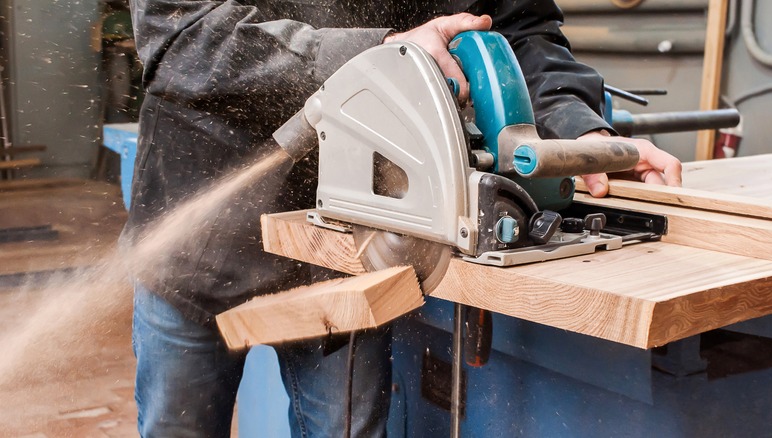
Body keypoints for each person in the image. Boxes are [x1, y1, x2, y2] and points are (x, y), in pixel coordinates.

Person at [124, 1, 682, 437]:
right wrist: (377, 58)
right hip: (200, 239)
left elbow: (521, 30)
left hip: (356, 246)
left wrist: (574, 128)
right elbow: (183, 36)